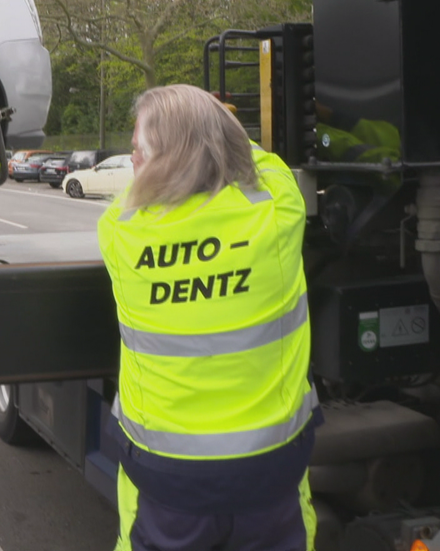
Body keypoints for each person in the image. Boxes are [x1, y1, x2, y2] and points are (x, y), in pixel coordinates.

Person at [97, 84, 319, 551]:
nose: (133, 158)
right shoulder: (275, 211)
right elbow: (257, 160)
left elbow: (136, 196)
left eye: (138, 149)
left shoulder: (122, 233)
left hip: (167, 478)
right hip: (270, 469)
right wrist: (212, 116)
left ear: (159, 158)